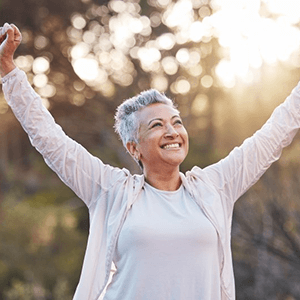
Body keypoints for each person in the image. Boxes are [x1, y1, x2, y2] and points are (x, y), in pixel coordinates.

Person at [1, 22, 300, 300]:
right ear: (134, 148)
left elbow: (274, 134)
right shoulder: (110, 190)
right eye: (156, 125)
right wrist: (9, 72)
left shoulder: (216, 187)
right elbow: (50, 139)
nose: (172, 131)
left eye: (176, 122)